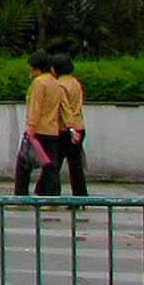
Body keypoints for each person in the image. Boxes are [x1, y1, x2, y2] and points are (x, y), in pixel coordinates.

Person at [15, 51, 61, 196]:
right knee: (50, 165)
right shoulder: (55, 82)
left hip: (38, 130)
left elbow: (36, 106)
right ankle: (53, 196)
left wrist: (31, 127)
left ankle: (21, 196)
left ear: (37, 68)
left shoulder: (39, 83)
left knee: (23, 165)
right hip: (52, 129)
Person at [50, 49, 89, 197]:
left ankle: (47, 192)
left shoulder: (59, 85)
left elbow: (63, 108)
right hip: (79, 126)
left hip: (65, 129)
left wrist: (67, 125)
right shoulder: (75, 83)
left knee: (54, 163)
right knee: (75, 164)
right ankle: (81, 195)